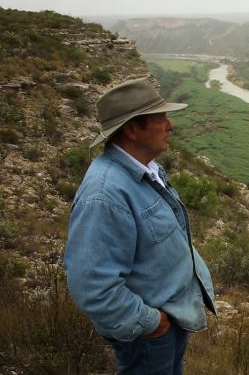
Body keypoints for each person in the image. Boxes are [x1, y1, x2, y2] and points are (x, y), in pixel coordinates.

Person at [64, 77, 216, 375]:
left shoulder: (147, 169)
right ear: (132, 129)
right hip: (149, 333)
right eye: (161, 119)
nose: (170, 126)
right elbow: (92, 286)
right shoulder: (105, 194)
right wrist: (151, 323)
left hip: (170, 318)